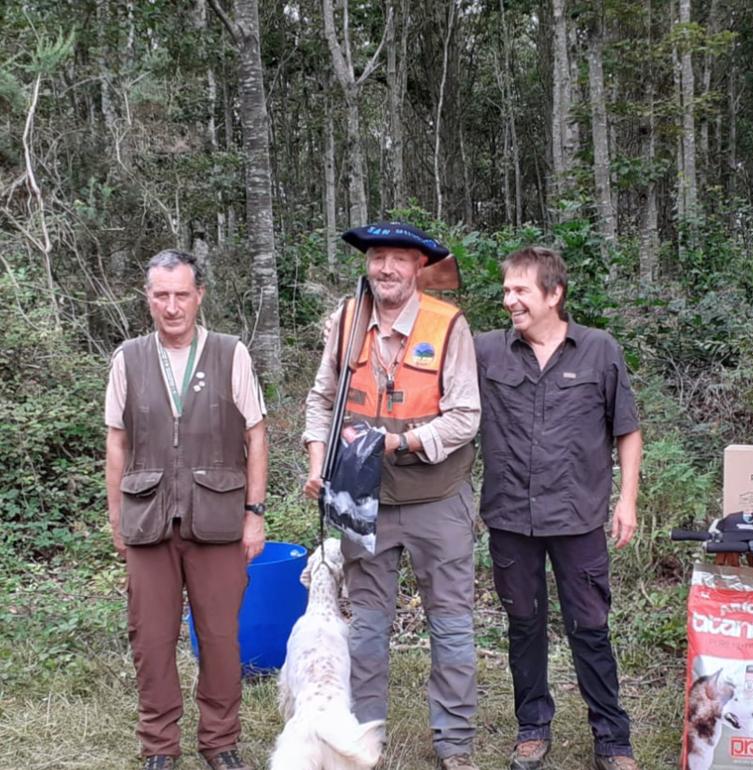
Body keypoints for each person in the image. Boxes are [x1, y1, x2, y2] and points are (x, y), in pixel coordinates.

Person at [302, 222, 481, 770]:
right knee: (369, 626)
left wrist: (403, 442)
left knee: (450, 624)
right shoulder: (347, 321)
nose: (387, 268)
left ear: (419, 268)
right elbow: (321, 399)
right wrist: (318, 464)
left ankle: (453, 743)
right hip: (364, 499)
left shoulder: (448, 325)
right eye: (378, 257)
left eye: (399, 259)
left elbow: (466, 416)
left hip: (437, 498)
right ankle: (364, 739)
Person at [476, 246, 643, 770]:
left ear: (554, 294)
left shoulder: (598, 350)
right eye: (506, 290)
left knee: (590, 627)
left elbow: (628, 429)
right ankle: (532, 728)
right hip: (510, 517)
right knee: (523, 625)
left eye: (520, 290)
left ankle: (612, 739)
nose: (509, 301)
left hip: (578, 518)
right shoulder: (484, 352)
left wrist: (628, 500)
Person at [105, 249, 268, 770]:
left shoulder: (230, 352)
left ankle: (220, 742)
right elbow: (117, 442)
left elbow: (256, 436)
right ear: (148, 299)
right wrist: (116, 519)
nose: (172, 306)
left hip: (218, 520)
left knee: (220, 639)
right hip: (147, 520)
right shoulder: (127, 357)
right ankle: (159, 747)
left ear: (199, 296)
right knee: (151, 641)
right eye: (161, 296)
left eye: (181, 295)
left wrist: (255, 512)